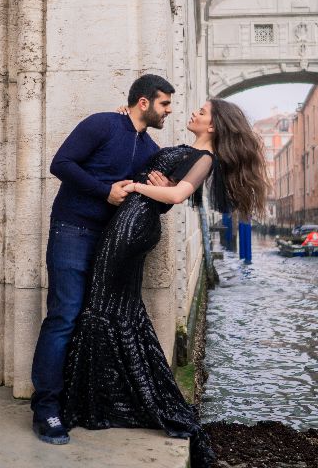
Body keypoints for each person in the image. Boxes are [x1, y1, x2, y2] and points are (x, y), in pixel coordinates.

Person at [61, 99, 270, 467]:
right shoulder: (192, 151)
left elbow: (176, 196)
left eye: (202, 113)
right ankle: (120, 397)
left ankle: (100, 401)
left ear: (215, 127)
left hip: (132, 226)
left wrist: (141, 188)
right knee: (118, 309)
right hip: (132, 224)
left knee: (102, 306)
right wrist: (128, 123)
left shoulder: (206, 158)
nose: (194, 114)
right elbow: (164, 180)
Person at [31, 74, 175, 444]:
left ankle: (77, 402)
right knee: (64, 314)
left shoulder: (149, 150)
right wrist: (103, 191)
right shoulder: (102, 124)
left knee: (93, 318)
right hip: (72, 229)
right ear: (143, 102)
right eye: (164, 104)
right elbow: (61, 164)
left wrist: (161, 198)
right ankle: (46, 409)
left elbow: (146, 204)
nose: (168, 111)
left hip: (111, 245)